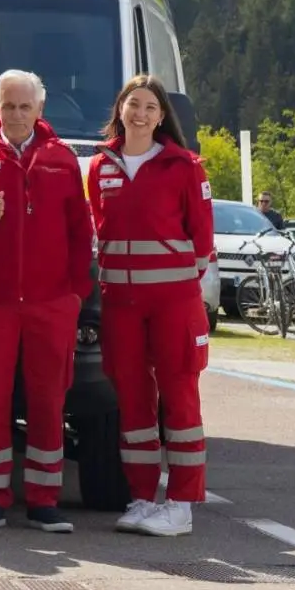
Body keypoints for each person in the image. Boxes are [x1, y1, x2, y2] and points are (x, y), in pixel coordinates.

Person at [0, 71, 93, 533]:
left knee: (48, 400)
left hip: (51, 304)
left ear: (40, 110)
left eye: (25, 107)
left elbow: (80, 231)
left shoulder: (63, 159)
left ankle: (44, 502)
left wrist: (75, 295)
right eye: (8, 106)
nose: (17, 115)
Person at [87, 74, 215, 538]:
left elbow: (202, 241)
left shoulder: (184, 166)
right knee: (133, 402)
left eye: (149, 107)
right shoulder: (99, 166)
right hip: (121, 305)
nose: (140, 114)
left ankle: (181, 505)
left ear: (161, 117)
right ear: (120, 110)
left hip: (173, 305)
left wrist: (173, 284)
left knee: (180, 401)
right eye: (133, 104)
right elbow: (100, 229)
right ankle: (142, 498)